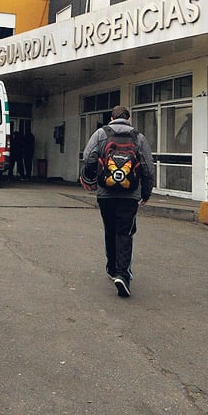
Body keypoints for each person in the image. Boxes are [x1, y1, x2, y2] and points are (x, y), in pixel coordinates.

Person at [80, 105, 155, 298]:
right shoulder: (138, 137)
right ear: (129, 119)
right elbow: (148, 167)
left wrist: (89, 179)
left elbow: (88, 157)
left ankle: (112, 269)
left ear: (112, 118)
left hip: (106, 193)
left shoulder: (101, 134)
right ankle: (123, 274)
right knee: (125, 232)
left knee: (110, 230)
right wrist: (146, 193)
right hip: (130, 195)